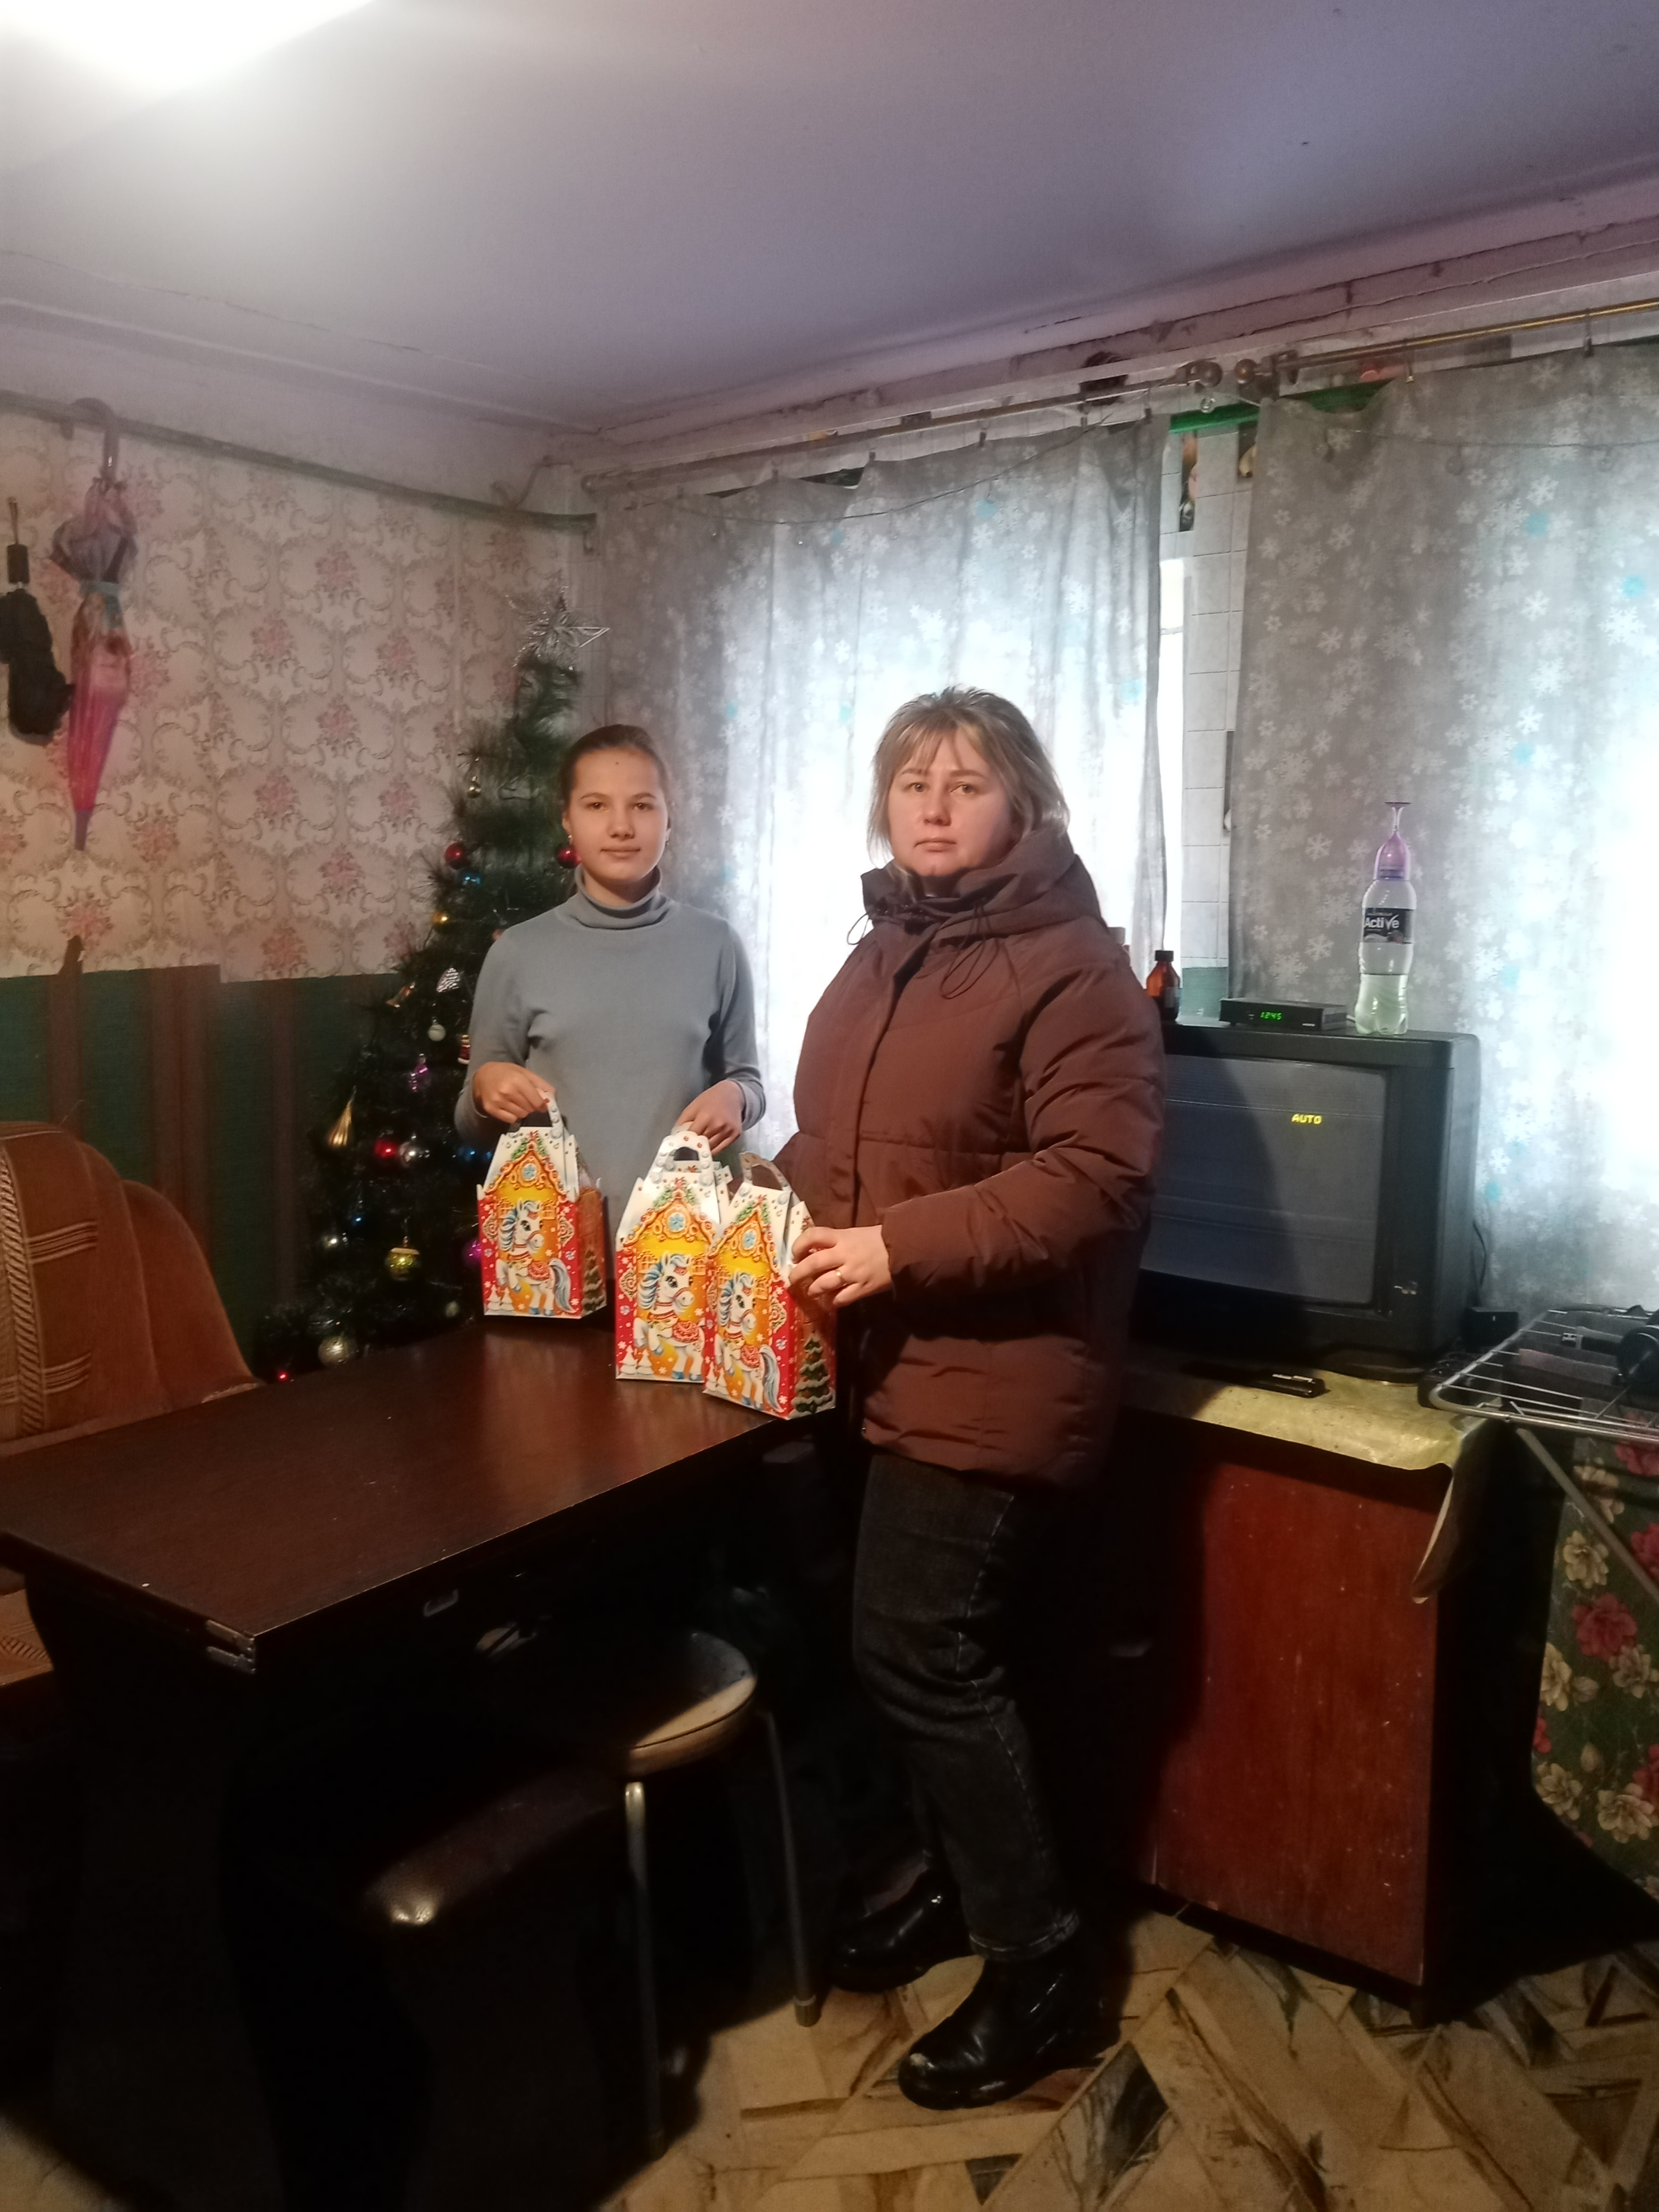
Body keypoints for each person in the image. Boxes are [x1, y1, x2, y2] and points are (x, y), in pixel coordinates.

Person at [780, 685, 1165, 2110]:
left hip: (998, 1372)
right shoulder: (887, 945)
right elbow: (844, 1139)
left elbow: (1094, 1178)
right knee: (895, 1651)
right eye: (911, 783)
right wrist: (752, 1204)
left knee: (920, 1654)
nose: (933, 807)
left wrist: (895, 1247)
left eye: (965, 783)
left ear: (1024, 804)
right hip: (883, 1359)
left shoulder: (1071, 965)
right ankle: (958, 1886)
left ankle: (1041, 1965)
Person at [456, 724, 764, 1218]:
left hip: (683, 1242)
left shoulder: (717, 945)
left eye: (642, 805)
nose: (621, 827)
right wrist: (483, 1088)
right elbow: (472, 1124)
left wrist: (736, 1097)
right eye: (597, 805)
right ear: (568, 819)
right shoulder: (518, 953)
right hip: (556, 1244)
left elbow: (748, 1081)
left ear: (668, 818)